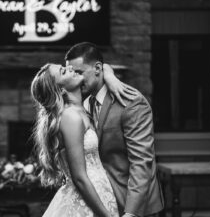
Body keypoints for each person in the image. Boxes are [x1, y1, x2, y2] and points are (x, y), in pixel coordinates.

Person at [65, 42, 164, 217]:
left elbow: (141, 163)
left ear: (97, 68)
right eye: (72, 73)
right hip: (104, 204)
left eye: (79, 72)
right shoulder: (85, 103)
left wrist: (131, 213)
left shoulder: (131, 103)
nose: (77, 78)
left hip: (133, 205)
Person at [31, 63, 130, 217]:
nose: (70, 68)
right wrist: (105, 215)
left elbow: (100, 65)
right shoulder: (70, 117)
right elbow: (79, 177)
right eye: (64, 71)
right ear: (61, 89)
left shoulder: (82, 109)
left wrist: (110, 76)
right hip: (86, 203)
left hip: (101, 193)